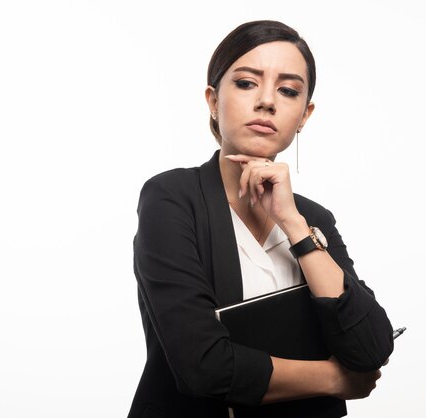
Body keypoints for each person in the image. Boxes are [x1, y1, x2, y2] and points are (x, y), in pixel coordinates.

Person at [128, 20, 394, 418]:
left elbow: (371, 346)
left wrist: (294, 227)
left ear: (304, 115)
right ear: (212, 100)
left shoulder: (313, 218)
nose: (267, 101)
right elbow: (203, 367)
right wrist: (336, 380)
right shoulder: (171, 198)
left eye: (288, 91)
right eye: (247, 83)